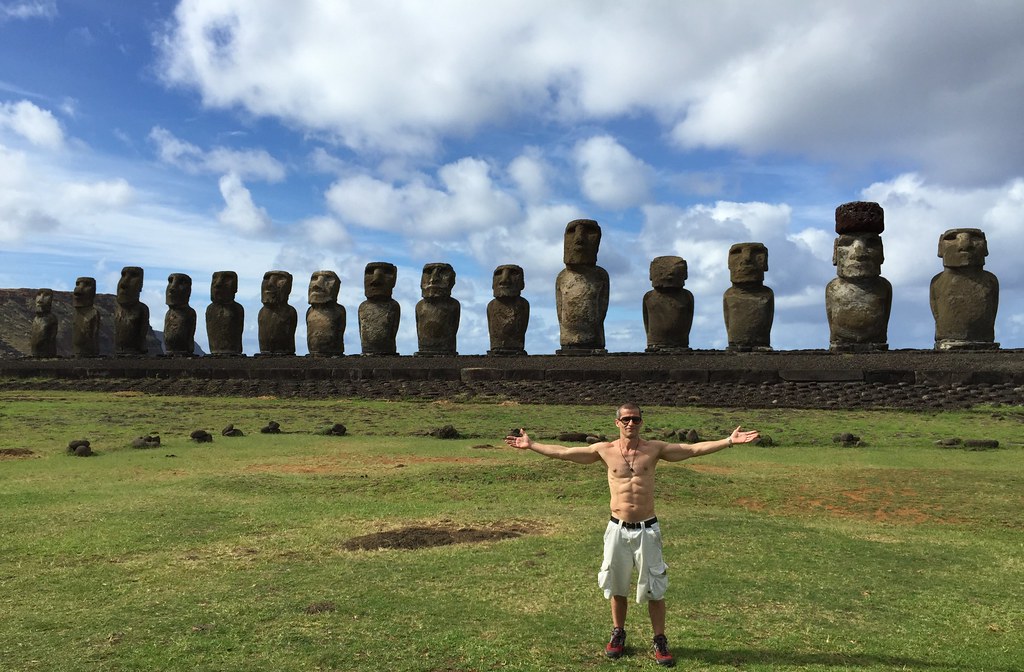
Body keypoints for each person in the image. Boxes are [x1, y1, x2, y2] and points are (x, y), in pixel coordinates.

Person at [504, 404, 760, 667]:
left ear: (641, 422)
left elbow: (693, 449)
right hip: (617, 528)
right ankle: (618, 633)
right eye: (625, 419)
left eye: (635, 419)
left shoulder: (654, 449)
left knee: (655, 588)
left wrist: (729, 440)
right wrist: (532, 444)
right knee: (617, 585)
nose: (630, 423)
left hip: (647, 529)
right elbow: (565, 453)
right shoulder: (604, 450)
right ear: (617, 422)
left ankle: (660, 640)